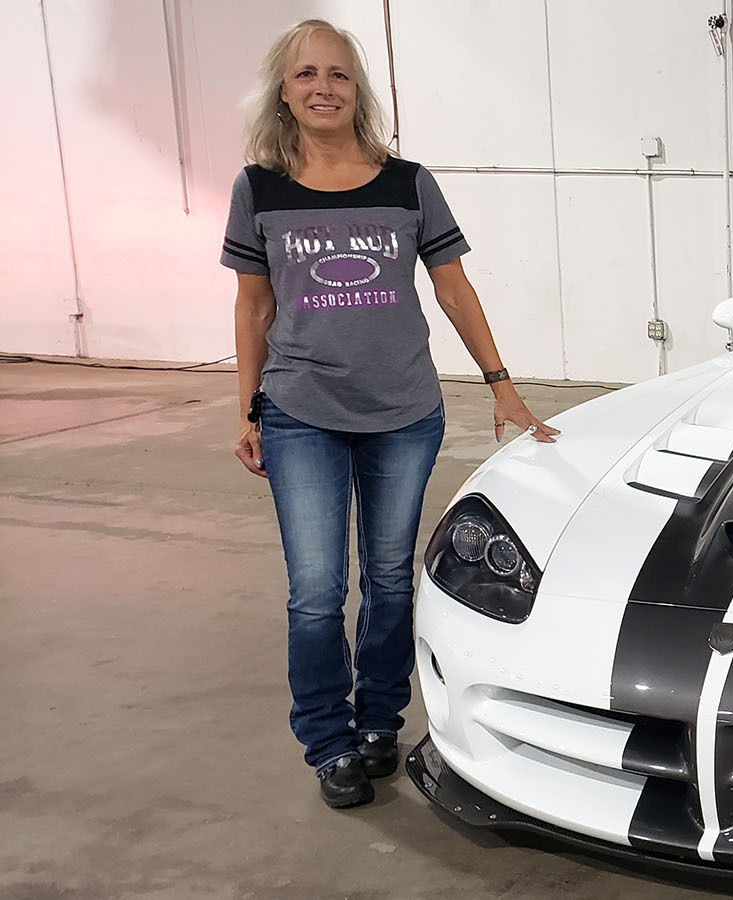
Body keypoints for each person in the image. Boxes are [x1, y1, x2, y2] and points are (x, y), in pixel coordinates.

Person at [220, 18, 560, 809]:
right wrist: (247, 409)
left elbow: (452, 288)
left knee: (388, 580)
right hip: (300, 409)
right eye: (306, 74)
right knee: (315, 591)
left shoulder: (407, 183)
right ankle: (328, 742)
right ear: (283, 91)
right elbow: (253, 307)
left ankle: (378, 720)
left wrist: (500, 383)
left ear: (357, 90)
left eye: (338, 74)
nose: (323, 87)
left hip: (403, 411)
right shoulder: (258, 188)